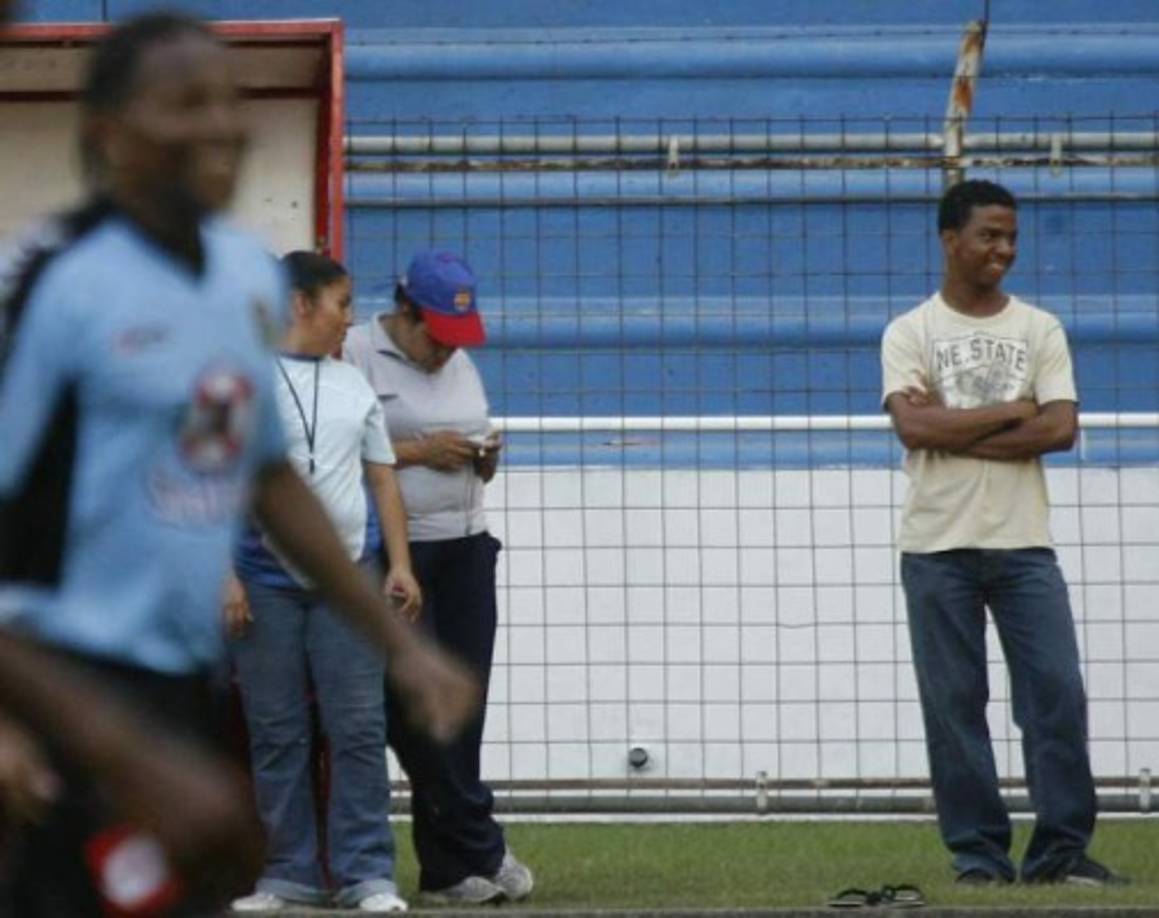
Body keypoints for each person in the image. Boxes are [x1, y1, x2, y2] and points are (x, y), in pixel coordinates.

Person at [0, 14, 474, 917]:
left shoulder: (236, 283)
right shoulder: (53, 288)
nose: (217, 124)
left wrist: (396, 641)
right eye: (183, 103)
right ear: (108, 131)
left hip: (174, 686)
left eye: (227, 101)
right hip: (56, 688)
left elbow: (259, 472)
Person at [881, 179, 1126, 887]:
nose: (1003, 250)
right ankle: (978, 857)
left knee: (1054, 692)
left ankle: (1059, 852)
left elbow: (1058, 428)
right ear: (948, 239)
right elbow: (912, 426)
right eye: (989, 235)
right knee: (954, 709)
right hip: (935, 548)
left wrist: (955, 429)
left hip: (1023, 545)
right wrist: (1011, 412)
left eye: (1011, 237)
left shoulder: (1037, 328)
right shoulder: (910, 331)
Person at [226, 251, 418, 913]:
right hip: (262, 580)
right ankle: (289, 874)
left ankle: (369, 874)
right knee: (277, 732)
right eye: (341, 303)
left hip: (350, 582)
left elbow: (383, 480)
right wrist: (224, 575)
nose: (350, 319)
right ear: (301, 305)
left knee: (358, 727)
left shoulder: (354, 385)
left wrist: (399, 563)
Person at [344, 251, 533, 905]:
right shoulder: (354, 354)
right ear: (403, 311)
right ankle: (478, 838)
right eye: (435, 338)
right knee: (412, 708)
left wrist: (482, 461)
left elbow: (472, 440)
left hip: (466, 545)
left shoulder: (461, 359)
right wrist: (422, 451)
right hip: (399, 556)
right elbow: (334, 449)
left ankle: (447, 868)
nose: (444, 353)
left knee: (464, 706)